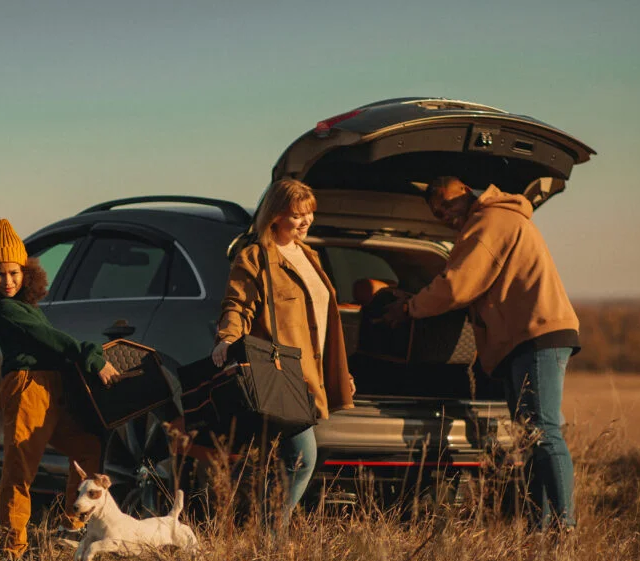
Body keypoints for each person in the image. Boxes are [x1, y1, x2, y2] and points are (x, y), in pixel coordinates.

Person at [384, 176, 580, 530]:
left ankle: (564, 528)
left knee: (544, 431)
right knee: (533, 433)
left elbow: (457, 285)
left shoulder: (489, 221)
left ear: (466, 192)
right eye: (436, 211)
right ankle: (541, 525)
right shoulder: (494, 219)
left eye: (447, 203)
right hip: (527, 336)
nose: (443, 213)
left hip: (536, 333)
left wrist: (410, 308)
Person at [0, 219, 119, 561]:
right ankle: (12, 547)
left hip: (50, 387)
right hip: (26, 388)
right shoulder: (6, 309)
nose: (7, 281)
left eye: (14, 273)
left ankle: (72, 526)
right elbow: (52, 340)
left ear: (26, 273)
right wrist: (91, 358)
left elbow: (51, 346)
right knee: (20, 469)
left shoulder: (25, 306)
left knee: (87, 447)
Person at [211, 179, 355, 514]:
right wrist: (228, 338)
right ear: (275, 215)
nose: (305, 222)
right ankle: (269, 538)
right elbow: (238, 304)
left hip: (309, 373)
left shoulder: (309, 255)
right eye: (296, 215)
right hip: (282, 375)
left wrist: (337, 373)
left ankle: (244, 525)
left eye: (309, 214)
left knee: (278, 459)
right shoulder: (255, 257)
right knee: (302, 459)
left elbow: (322, 321)